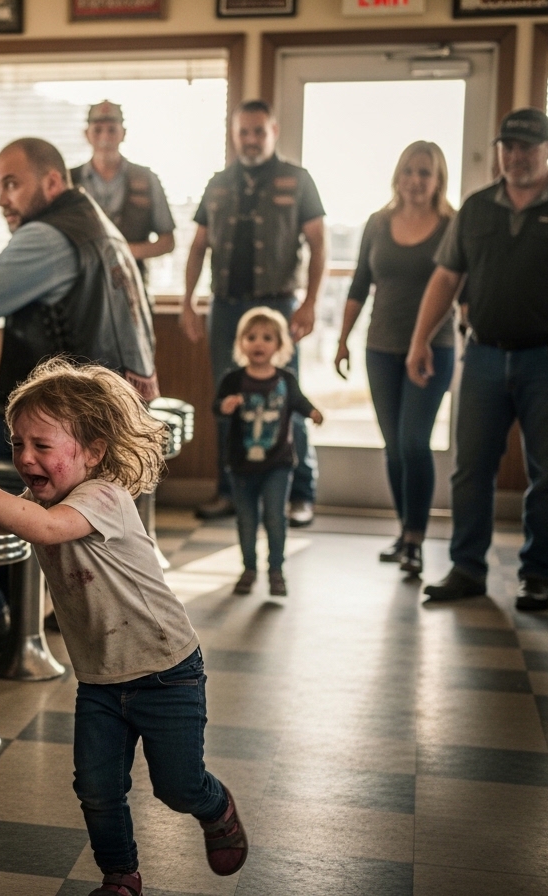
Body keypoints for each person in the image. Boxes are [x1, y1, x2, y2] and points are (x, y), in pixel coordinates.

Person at [0, 357, 248, 896]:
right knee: (97, 788)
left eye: (43, 446)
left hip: (166, 671)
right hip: (102, 680)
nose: (26, 458)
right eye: (17, 445)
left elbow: (42, 527)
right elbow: (10, 512)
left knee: (177, 786)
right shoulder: (41, 500)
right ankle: (120, 876)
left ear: (94, 452)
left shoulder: (103, 498)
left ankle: (215, 807)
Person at [0, 136, 157, 642]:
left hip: (78, 426)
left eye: (12, 184)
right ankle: (12, 610)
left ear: (53, 182)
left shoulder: (48, 237)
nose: (2, 199)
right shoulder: (98, 226)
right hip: (111, 415)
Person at [408, 107, 548, 612]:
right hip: (484, 357)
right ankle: (467, 567)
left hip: (545, 361)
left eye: (527, 147)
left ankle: (538, 574)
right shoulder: (475, 208)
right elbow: (447, 277)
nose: (515, 157)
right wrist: (420, 339)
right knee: (470, 468)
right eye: (507, 146)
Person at [181, 99, 327, 527]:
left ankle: (300, 495)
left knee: (286, 399)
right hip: (225, 308)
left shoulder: (298, 181)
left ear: (273, 131)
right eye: (243, 131)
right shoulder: (218, 183)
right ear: (233, 133)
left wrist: (311, 302)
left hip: (277, 307)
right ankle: (230, 491)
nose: (250, 139)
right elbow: (197, 246)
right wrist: (189, 301)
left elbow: (319, 244)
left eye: (258, 131)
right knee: (228, 400)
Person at [336, 141, 455, 576]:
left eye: (425, 172)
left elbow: (462, 285)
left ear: (438, 179)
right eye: (409, 171)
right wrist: (343, 339)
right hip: (380, 348)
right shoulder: (377, 223)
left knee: (413, 442)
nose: (416, 180)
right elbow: (359, 284)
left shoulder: (451, 225)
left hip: (433, 351)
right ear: (397, 176)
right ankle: (405, 532)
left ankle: (417, 539)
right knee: (394, 447)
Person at [218, 307, 323, 597]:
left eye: (266, 337)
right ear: (241, 344)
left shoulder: (285, 380)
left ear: (279, 345)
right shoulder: (233, 380)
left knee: (276, 517)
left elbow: (299, 402)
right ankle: (249, 568)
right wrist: (225, 406)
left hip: (278, 463)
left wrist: (312, 411)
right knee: (246, 520)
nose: (258, 343)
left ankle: (276, 570)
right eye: (251, 337)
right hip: (242, 465)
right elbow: (217, 407)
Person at [70, 100, 176, 285]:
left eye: (112, 129)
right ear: (87, 134)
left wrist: (123, 251)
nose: (105, 136)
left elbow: (167, 241)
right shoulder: (70, 180)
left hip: (132, 282)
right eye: (98, 129)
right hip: (82, 283)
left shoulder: (146, 179)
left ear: (123, 134)